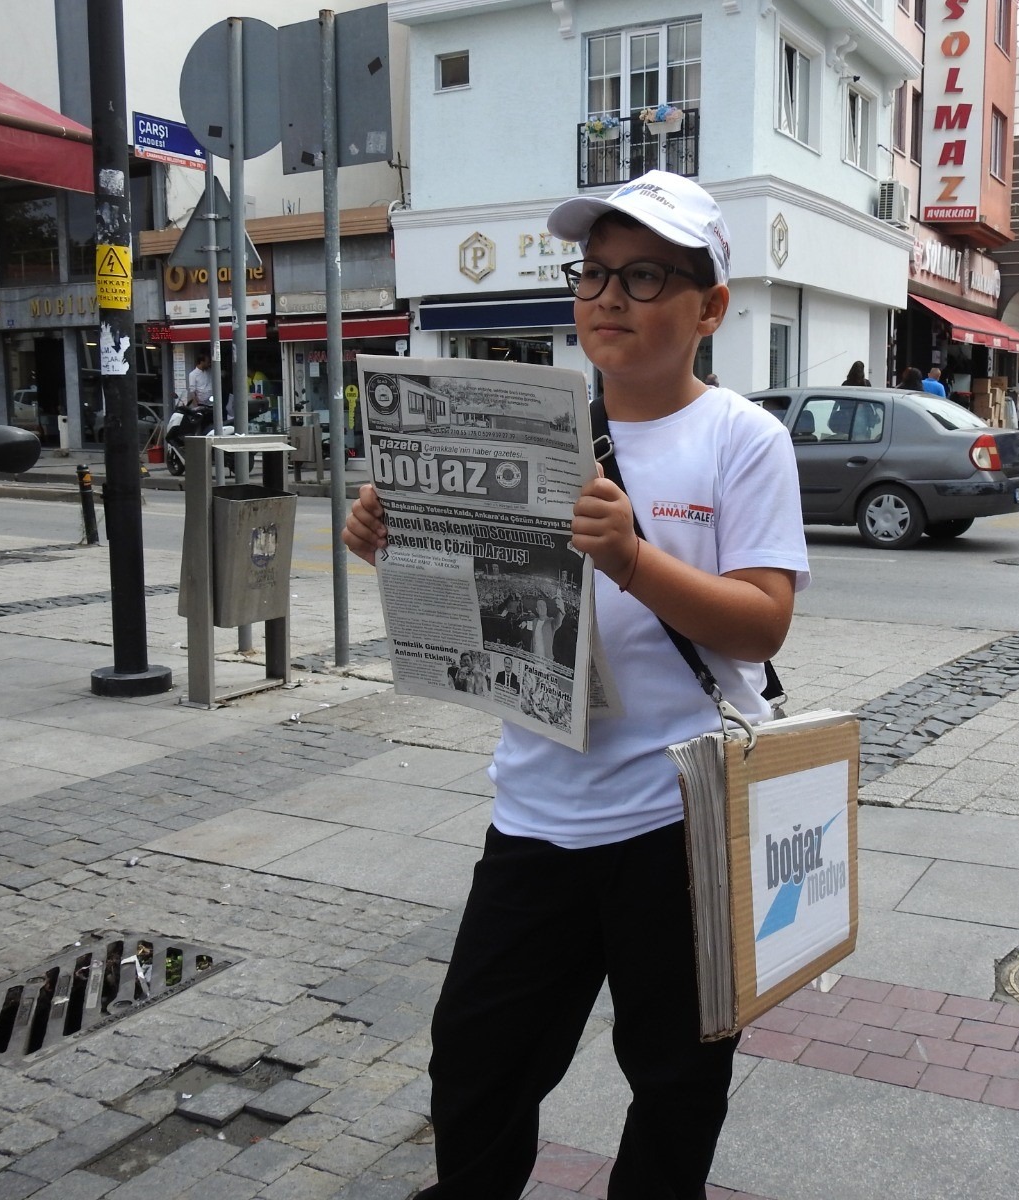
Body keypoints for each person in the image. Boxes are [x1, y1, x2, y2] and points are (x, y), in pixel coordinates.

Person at [342, 169, 807, 1200]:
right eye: (592, 275)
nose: (606, 299)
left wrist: (638, 561)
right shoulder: (525, 424)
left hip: (676, 826)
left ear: (709, 307)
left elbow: (763, 619)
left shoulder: (741, 438)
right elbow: (488, 604)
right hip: (535, 815)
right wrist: (398, 542)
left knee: (677, 1081)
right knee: (475, 1063)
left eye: (643, 277)